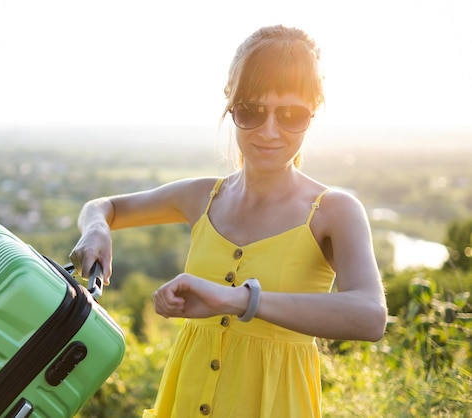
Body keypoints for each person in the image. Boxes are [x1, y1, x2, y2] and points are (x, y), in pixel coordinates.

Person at [69, 24, 388, 418]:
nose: (269, 131)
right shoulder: (203, 197)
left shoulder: (333, 210)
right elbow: (103, 207)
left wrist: (238, 299)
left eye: (291, 114)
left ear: (314, 111)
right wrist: (98, 228)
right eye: (251, 110)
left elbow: (370, 317)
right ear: (230, 104)